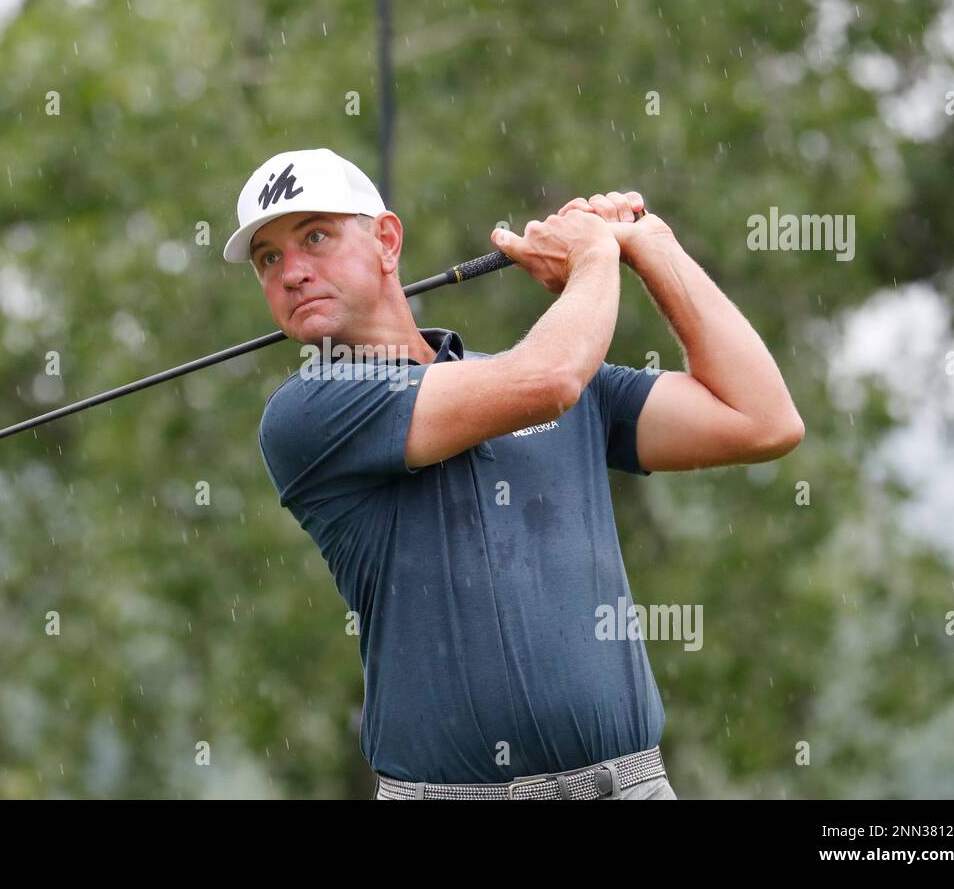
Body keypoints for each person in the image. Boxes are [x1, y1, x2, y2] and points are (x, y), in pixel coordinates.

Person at [223, 147, 804, 799]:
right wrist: (592, 258)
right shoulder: (309, 411)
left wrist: (647, 244)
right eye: (268, 258)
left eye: (316, 238)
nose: (292, 272)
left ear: (386, 241)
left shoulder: (558, 385)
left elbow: (763, 420)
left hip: (630, 786)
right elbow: (548, 378)